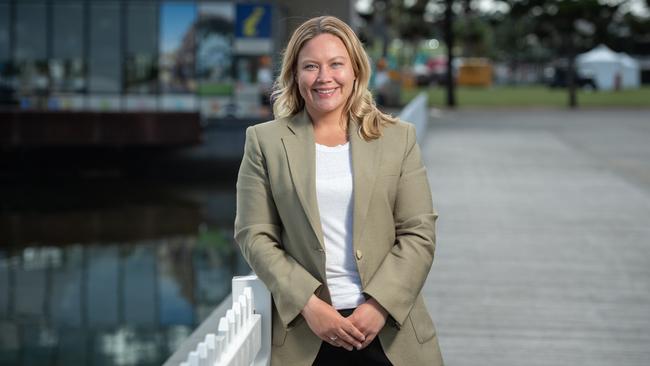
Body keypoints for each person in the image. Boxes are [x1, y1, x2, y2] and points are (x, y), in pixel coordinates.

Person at [234, 16, 443, 366]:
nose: (324, 77)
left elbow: (418, 233)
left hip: (390, 330)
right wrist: (309, 305)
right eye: (310, 66)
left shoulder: (397, 137)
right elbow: (254, 235)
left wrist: (378, 306)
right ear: (295, 75)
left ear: (356, 71)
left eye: (336, 64)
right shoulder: (265, 142)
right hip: (307, 335)